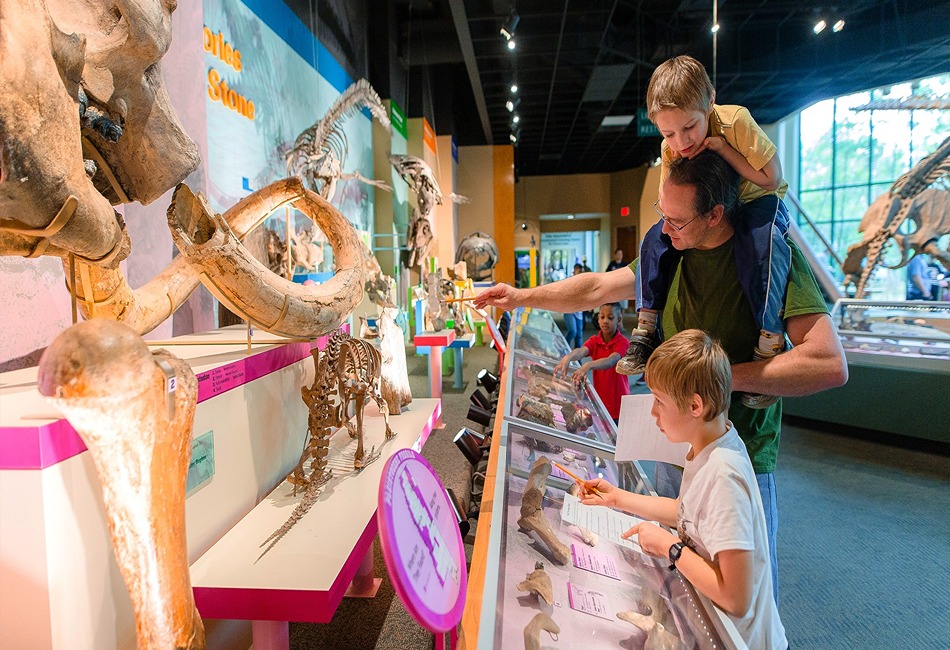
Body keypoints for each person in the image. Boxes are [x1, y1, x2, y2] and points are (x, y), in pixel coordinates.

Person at [473, 151, 849, 598]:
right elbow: (596, 286)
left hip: (741, 454)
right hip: (672, 445)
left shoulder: (770, 258)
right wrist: (521, 296)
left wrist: (713, 378)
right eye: (662, 216)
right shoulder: (668, 251)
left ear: (714, 214)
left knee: (741, 597)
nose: (665, 230)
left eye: (678, 220)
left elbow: (829, 362)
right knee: (678, 590)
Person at [579, 330, 787, 649]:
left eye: (659, 402)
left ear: (694, 406)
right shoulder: (707, 446)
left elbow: (736, 597)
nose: (653, 413)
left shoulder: (724, 475)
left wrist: (670, 547)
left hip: (742, 640)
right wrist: (616, 497)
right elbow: (685, 510)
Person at [619, 56, 791, 412]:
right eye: (668, 134)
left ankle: (770, 341)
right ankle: (645, 327)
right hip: (714, 209)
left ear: (710, 100)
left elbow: (770, 178)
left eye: (690, 128)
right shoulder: (672, 149)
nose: (681, 142)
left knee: (764, 245)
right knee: (655, 236)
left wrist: (721, 148)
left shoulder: (735, 121)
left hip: (756, 200)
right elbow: (673, 197)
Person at [553, 303, 630, 421]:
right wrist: (568, 357)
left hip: (618, 402)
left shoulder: (623, 342)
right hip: (600, 401)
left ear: (619, 319)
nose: (605, 321)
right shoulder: (595, 340)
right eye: (602, 317)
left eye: (610, 318)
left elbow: (611, 360)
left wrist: (588, 365)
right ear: (598, 319)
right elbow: (581, 351)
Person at [563, 263, 586, 348]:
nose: (578, 272)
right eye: (577, 270)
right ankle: (564, 348)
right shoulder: (569, 281)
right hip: (569, 311)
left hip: (579, 313)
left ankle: (578, 360)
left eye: (580, 270)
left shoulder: (584, 283)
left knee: (579, 337)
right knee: (573, 331)